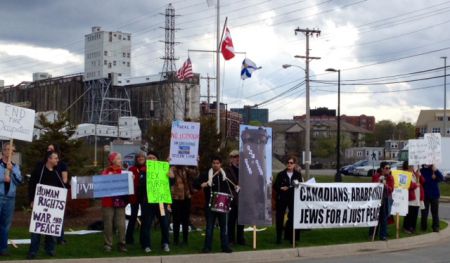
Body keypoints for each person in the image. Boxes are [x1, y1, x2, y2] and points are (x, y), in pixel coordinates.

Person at [27, 151, 66, 259]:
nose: (57, 160)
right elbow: (31, 186)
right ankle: (33, 251)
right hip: (39, 204)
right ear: (49, 159)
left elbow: (62, 187)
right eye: (55, 158)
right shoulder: (39, 171)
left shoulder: (56, 172)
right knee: (37, 229)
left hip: (52, 205)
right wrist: (31, 200)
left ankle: (50, 249)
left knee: (51, 227)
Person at [196, 156, 233, 253]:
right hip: (210, 204)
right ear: (211, 164)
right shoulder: (206, 174)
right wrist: (201, 184)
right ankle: (207, 247)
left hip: (223, 204)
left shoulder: (226, 175)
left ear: (220, 164)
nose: (215, 165)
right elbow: (195, 183)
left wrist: (237, 186)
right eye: (214, 163)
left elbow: (233, 185)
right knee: (209, 227)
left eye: (217, 163)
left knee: (224, 227)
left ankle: (225, 246)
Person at [139, 151, 170, 253]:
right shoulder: (143, 171)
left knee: (164, 223)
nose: (151, 160)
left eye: (153, 158)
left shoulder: (163, 169)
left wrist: (170, 174)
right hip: (148, 202)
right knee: (147, 224)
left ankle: (165, 243)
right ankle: (146, 245)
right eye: (149, 158)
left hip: (161, 202)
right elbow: (141, 185)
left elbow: (170, 183)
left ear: (157, 160)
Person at [273, 156, 303, 244]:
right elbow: (275, 186)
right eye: (288, 163)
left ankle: (291, 238)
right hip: (282, 198)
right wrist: (281, 188)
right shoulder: (281, 174)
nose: (289, 164)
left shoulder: (297, 174)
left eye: (291, 163)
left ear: (294, 164)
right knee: (279, 218)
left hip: (293, 198)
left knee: (293, 217)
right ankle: (278, 238)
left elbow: (300, 185)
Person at [101, 152, 127, 253]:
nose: (121, 160)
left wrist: (130, 179)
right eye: (119, 158)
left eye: (120, 158)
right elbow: (102, 183)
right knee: (108, 223)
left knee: (121, 223)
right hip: (108, 201)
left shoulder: (124, 172)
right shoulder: (105, 172)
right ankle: (108, 244)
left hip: (120, 201)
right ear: (113, 160)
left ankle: (122, 243)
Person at [0, 143, 22, 257]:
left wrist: (12, 170)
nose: (9, 152)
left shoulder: (15, 166)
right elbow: (4, 179)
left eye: (12, 150)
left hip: (10, 198)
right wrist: (3, 178)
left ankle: (3, 248)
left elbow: (19, 181)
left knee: (5, 225)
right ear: (3, 151)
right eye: (7, 150)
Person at [45, 144, 69, 245]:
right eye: (48, 148)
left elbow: (65, 179)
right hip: (47, 193)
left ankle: (60, 238)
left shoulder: (62, 164)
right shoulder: (43, 164)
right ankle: (49, 239)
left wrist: (61, 189)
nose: (48, 150)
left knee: (59, 217)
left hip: (58, 193)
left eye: (51, 149)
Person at [169, 165, 198, 246]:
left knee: (185, 220)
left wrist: (196, 163)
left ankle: (185, 240)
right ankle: (176, 240)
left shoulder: (186, 169)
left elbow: (195, 175)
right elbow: (169, 179)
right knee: (176, 220)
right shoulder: (172, 169)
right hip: (176, 197)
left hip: (186, 197)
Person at [224, 150, 245, 246]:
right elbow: (227, 184)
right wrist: (234, 189)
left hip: (242, 199)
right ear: (231, 159)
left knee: (241, 220)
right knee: (231, 221)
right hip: (232, 199)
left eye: (239, 157)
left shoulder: (244, 170)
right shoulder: (227, 170)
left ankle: (240, 239)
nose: (237, 159)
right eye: (235, 157)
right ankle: (231, 240)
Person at [370, 161, 394, 240]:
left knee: (384, 217)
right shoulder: (376, 176)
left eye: (389, 168)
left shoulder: (390, 177)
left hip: (386, 199)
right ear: (382, 169)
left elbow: (391, 189)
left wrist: (385, 185)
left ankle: (383, 235)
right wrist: (378, 181)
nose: (388, 170)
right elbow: (372, 187)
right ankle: (372, 234)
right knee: (375, 216)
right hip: (376, 199)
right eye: (386, 168)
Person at [126, 151, 146, 245]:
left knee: (144, 218)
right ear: (136, 159)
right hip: (134, 196)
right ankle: (129, 238)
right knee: (133, 217)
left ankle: (143, 239)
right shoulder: (131, 169)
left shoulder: (148, 168)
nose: (140, 158)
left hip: (145, 196)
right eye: (138, 157)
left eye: (142, 157)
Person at [420, 164, 443, 232]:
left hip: (434, 195)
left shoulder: (434, 169)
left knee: (435, 212)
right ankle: (423, 227)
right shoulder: (421, 170)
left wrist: (436, 171)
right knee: (424, 212)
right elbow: (422, 181)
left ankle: (435, 227)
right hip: (425, 195)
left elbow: (441, 178)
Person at [403, 162, 424, 234]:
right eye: (410, 166)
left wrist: (419, 176)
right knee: (409, 214)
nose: (412, 168)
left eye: (412, 166)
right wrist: (415, 185)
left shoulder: (415, 173)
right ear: (407, 167)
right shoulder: (405, 174)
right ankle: (406, 227)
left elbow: (423, 181)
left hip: (417, 197)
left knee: (415, 214)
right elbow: (406, 185)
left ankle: (413, 227)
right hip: (410, 198)